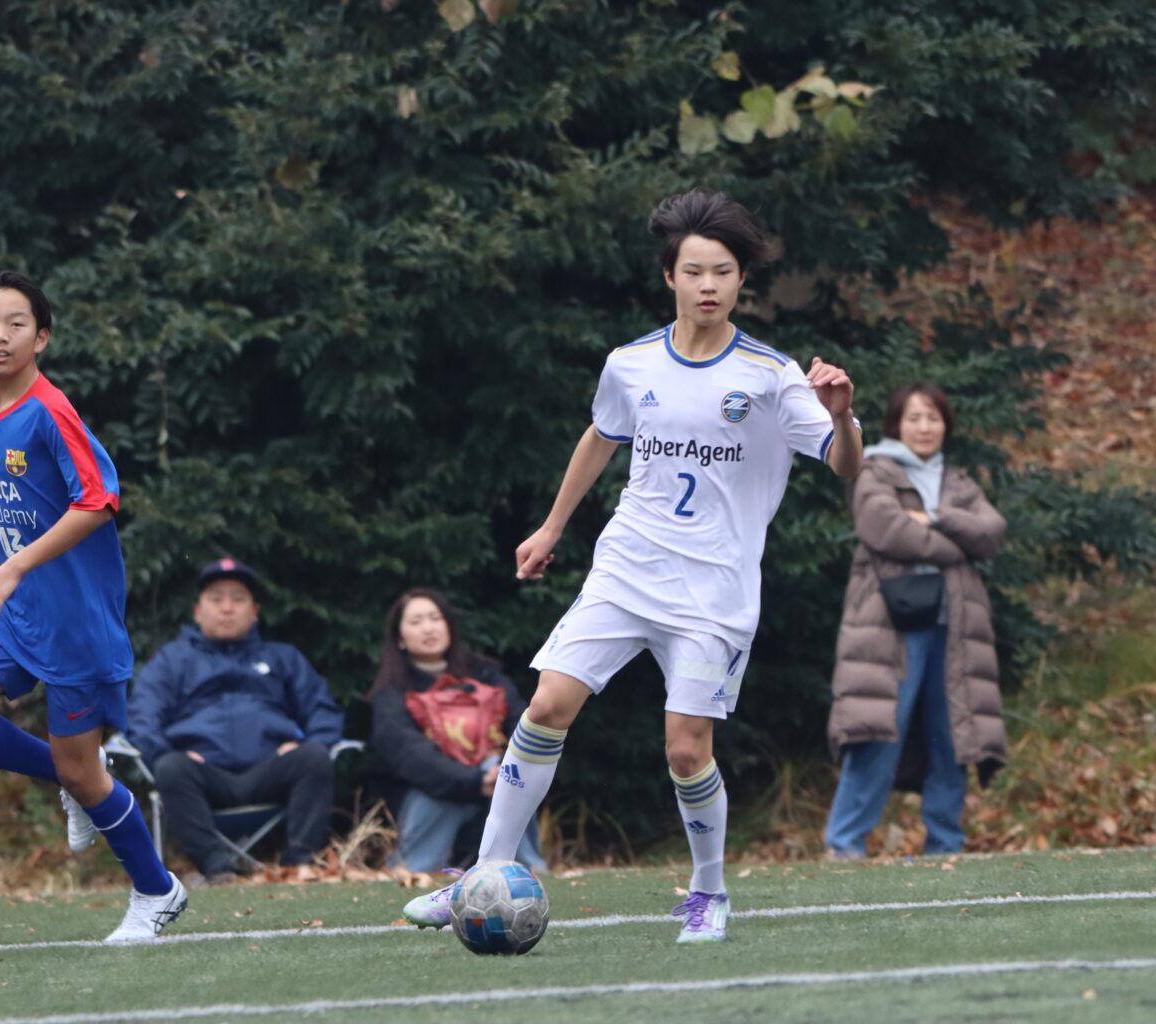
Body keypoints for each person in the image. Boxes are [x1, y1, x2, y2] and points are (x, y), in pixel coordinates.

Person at [401, 189, 863, 944]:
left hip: (713, 590)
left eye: (723, 272)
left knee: (685, 749)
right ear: (669, 276)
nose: (709, 285)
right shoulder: (631, 362)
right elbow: (600, 435)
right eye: (694, 271)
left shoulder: (772, 375)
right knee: (546, 706)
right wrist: (552, 526)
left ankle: (707, 895)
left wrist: (841, 414)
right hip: (627, 569)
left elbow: (845, 464)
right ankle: (481, 875)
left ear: (741, 281)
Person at [0, 270, 185, 944]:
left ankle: (157, 891)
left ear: (41, 338)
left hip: (73, 622)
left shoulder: (51, 409)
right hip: (17, 611)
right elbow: (8, 489)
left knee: (81, 770)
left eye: (17, 323)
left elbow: (97, 501)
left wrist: (13, 566)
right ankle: (74, 778)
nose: (0, 335)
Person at [823, 382, 1008, 859]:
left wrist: (938, 517)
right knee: (879, 733)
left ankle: (945, 847)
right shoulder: (873, 471)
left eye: (933, 418)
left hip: (956, 628)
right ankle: (845, 845)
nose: (924, 427)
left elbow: (991, 533)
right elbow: (889, 530)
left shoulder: (959, 482)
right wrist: (956, 545)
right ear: (896, 425)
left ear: (946, 425)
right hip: (889, 628)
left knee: (952, 738)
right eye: (914, 418)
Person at [124, 558, 346, 884]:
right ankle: (218, 868)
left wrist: (311, 743)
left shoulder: (283, 658)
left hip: (272, 768)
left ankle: (299, 865)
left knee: (314, 757)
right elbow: (142, 716)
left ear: (254, 611)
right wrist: (166, 752)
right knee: (169, 766)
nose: (227, 608)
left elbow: (323, 711)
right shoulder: (171, 660)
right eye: (216, 599)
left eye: (238, 599)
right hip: (202, 773)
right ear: (197, 611)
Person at [368, 587, 545, 874]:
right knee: (441, 790)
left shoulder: (486, 674)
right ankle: (414, 870)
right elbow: (410, 755)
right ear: (400, 637)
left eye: (435, 618)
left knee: (509, 777)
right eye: (416, 622)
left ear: (449, 625)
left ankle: (528, 869)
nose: (428, 628)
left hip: (494, 783)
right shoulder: (392, 693)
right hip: (434, 793)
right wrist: (473, 780)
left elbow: (521, 725)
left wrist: (500, 772)